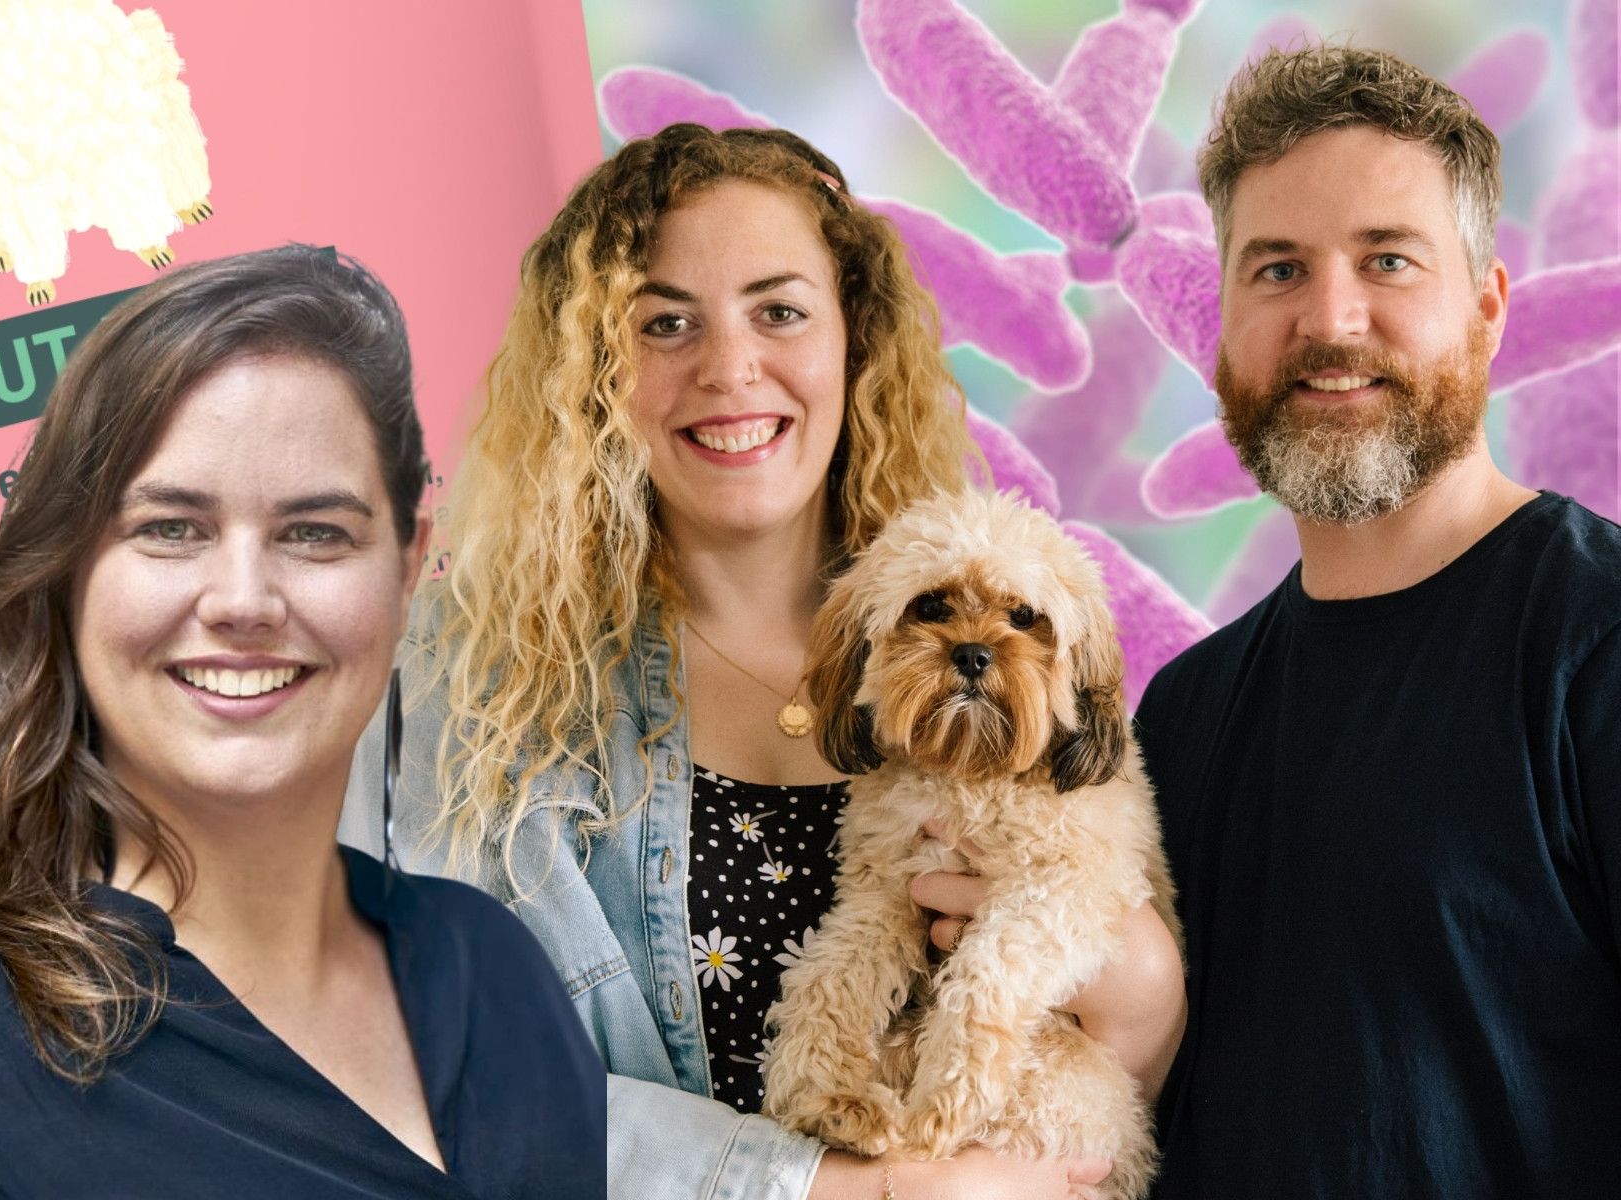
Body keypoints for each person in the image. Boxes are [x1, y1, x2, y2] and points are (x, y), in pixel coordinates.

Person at [340, 124, 1186, 1199]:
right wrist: (843, 1190)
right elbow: (398, 1070)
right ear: (594, 368)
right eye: (664, 323)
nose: (730, 370)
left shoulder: (1029, 645)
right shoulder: (464, 682)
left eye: (779, 311)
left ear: (853, 341)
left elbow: (1102, 1108)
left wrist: (1147, 1005)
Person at [0, 246, 604, 1199]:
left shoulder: (495, 967)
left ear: (406, 568)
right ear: (68, 570)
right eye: (170, 528)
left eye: (315, 532)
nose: (244, 600)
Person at [1134, 45, 1621, 1197]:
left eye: (1387, 260)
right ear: (1224, 329)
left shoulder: (1593, 647)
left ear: (1489, 307)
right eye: (1277, 270)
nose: (1329, 318)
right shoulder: (1182, 716)